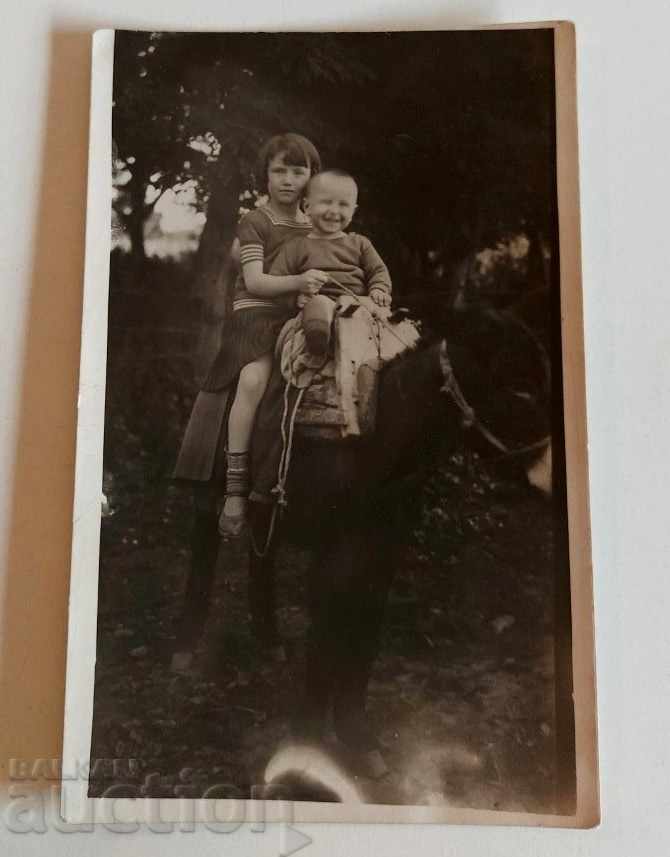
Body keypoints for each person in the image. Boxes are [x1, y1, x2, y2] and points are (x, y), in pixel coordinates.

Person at [171, 133, 327, 663]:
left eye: (299, 171)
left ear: (311, 176)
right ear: (266, 176)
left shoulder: (316, 222)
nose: (289, 180)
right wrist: (305, 279)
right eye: (281, 171)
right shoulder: (254, 221)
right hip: (256, 321)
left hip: (298, 322)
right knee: (256, 382)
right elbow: (257, 281)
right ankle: (235, 483)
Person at [248, 168, 393, 504]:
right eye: (325, 202)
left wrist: (380, 290)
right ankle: (317, 341)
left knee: (386, 350)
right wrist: (294, 295)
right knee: (319, 307)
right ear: (307, 205)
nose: (334, 211)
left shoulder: (360, 244)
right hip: (315, 308)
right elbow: (278, 280)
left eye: (344, 205)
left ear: (354, 210)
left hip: (357, 312)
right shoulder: (297, 246)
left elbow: (378, 272)